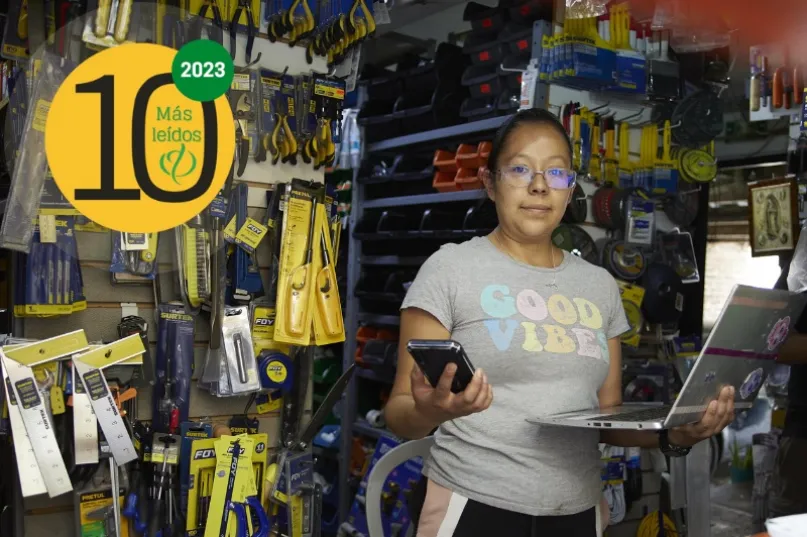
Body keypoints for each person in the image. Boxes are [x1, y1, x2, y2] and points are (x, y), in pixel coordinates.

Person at [384, 108, 736, 537]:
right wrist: (429, 408)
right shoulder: (450, 269)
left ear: (570, 191)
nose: (538, 185)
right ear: (490, 183)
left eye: (556, 173)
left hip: (577, 511)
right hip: (473, 504)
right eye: (519, 169)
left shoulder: (600, 287)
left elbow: (607, 420)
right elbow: (399, 413)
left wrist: (679, 433)